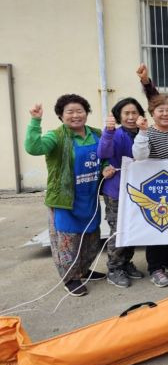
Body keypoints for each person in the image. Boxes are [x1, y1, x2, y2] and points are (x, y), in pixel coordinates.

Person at [24, 95, 107, 297]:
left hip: (89, 197)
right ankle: (70, 278)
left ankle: (83, 270)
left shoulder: (97, 134)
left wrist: (106, 168)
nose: (75, 115)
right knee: (68, 240)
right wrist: (35, 121)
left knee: (91, 237)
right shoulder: (57, 136)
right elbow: (34, 148)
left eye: (80, 111)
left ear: (86, 113)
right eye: (69, 112)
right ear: (61, 116)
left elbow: (105, 157)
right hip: (64, 199)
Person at [132, 94, 168, 287]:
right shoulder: (146, 132)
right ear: (152, 113)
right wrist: (141, 133)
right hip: (153, 187)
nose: (165, 114)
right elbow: (140, 157)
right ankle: (155, 268)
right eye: (161, 111)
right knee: (155, 226)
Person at [97, 98, 147, 288]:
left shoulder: (144, 133)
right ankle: (114, 268)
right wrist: (108, 132)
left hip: (137, 190)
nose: (131, 117)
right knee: (118, 230)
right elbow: (103, 152)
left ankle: (126, 263)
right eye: (126, 113)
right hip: (116, 190)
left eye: (134, 113)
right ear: (119, 116)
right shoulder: (115, 134)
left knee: (133, 227)